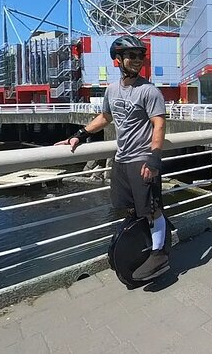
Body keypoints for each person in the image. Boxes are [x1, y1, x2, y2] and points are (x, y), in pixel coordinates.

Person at [57, 35, 169, 281]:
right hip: (121, 160)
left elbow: (159, 125)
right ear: (118, 60)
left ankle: (159, 254)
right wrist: (80, 134)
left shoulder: (149, 91)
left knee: (152, 209)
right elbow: (105, 117)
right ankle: (141, 246)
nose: (137, 60)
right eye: (131, 56)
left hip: (142, 160)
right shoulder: (112, 89)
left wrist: (154, 159)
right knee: (127, 208)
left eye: (140, 56)